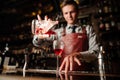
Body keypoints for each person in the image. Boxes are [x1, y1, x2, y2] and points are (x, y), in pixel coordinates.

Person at [32, 0, 99, 73]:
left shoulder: (88, 29)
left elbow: (95, 52)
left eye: (72, 12)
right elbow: (37, 43)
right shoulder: (59, 32)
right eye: (66, 13)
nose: (69, 16)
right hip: (64, 74)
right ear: (63, 15)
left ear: (78, 12)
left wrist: (79, 55)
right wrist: (40, 33)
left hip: (87, 74)